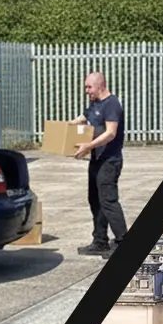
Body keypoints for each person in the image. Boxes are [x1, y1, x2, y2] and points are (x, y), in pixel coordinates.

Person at [69, 70, 126, 257]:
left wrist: (89, 145)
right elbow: (82, 119)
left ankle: (122, 241)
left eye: (89, 87)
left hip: (109, 160)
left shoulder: (112, 104)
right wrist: (64, 127)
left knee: (108, 201)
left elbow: (111, 133)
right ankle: (100, 241)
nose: (87, 90)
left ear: (100, 85)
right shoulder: (94, 104)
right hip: (96, 159)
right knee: (95, 200)